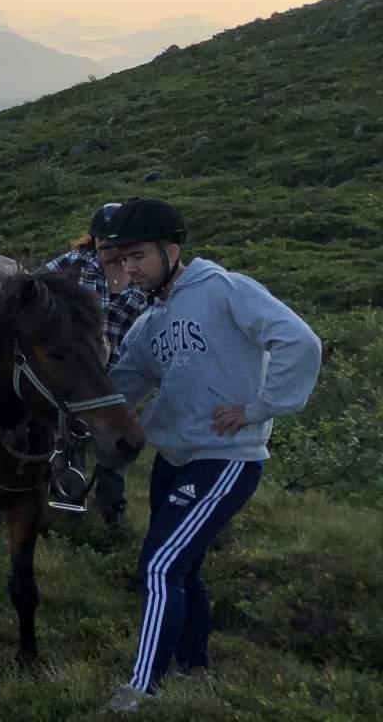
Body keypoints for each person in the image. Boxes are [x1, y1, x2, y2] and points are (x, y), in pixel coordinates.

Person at [103, 198, 322, 708]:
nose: (129, 269)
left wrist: (260, 407)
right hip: (176, 457)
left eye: (137, 257)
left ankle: (142, 689)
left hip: (228, 457)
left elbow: (299, 341)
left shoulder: (225, 289)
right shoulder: (151, 320)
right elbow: (123, 386)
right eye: (122, 260)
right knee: (185, 565)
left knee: (160, 565)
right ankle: (193, 667)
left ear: (170, 250)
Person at [44, 201, 150, 525]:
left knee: (114, 439)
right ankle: (63, 497)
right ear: (93, 239)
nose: (109, 250)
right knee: (67, 434)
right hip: (80, 370)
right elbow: (36, 290)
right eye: (103, 243)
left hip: (120, 370)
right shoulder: (73, 265)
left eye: (115, 243)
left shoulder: (140, 275)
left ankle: (111, 507)